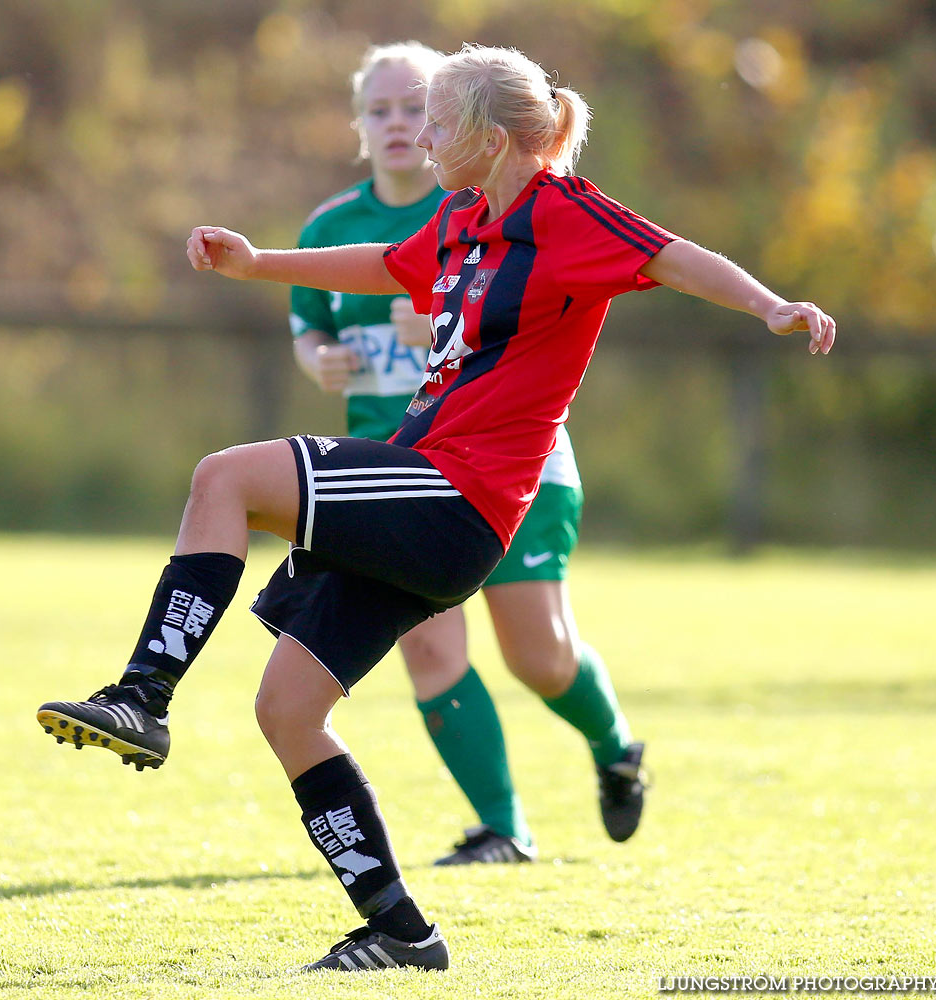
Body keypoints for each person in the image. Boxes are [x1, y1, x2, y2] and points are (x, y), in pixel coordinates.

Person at [38, 43, 835, 973]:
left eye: (437, 120)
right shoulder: (463, 217)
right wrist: (258, 264)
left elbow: (673, 258)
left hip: (461, 496)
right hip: (427, 491)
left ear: (493, 140)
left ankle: (142, 697)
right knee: (289, 709)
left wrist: (773, 306)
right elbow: (385, 264)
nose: (418, 134)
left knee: (224, 478)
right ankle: (400, 932)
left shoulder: (562, 212)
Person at [290, 41, 647, 868]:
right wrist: (318, 359)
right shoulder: (332, 226)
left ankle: (616, 745)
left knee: (539, 655)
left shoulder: (496, 204)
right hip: (404, 463)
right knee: (429, 647)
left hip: (512, 465)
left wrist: (448, 321)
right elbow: (311, 326)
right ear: (359, 125)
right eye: (378, 110)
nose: (399, 125)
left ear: (471, 126)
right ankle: (503, 827)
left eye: (417, 109)